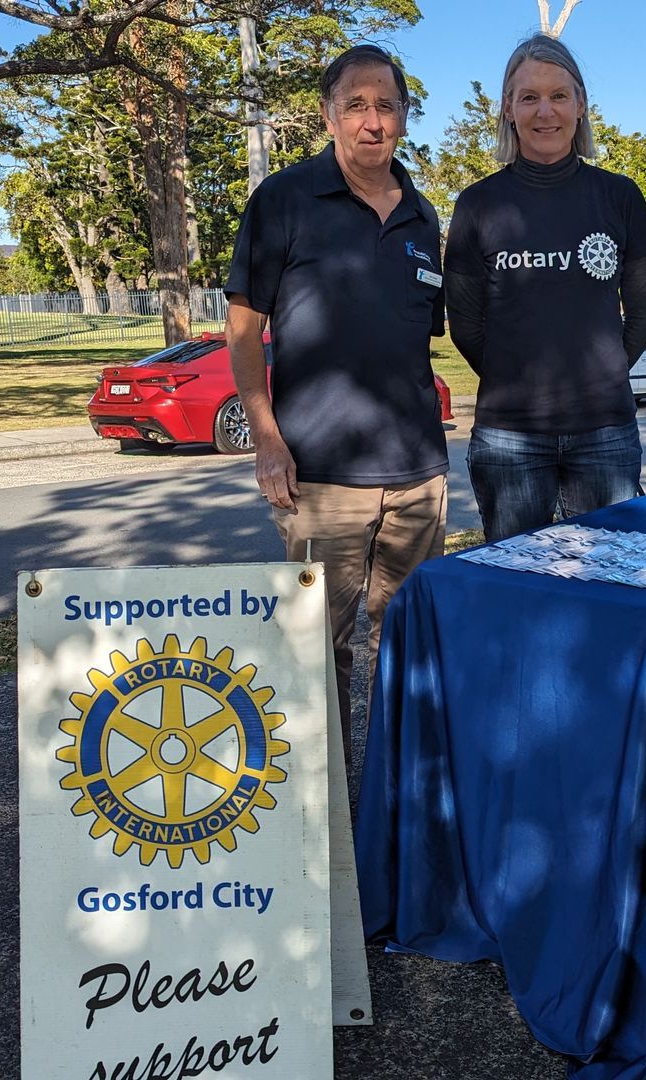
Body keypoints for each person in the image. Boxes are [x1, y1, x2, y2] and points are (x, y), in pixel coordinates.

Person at [221, 44, 448, 740]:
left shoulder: (423, 218)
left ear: (404, 116)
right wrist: (267, 439)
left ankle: (393, 796)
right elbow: (242, 332)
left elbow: (415, 341)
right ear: (328, 116)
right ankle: (326, 806)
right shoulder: (283, 200)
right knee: (318, 658)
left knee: (413, 652)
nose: (371, 121)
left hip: (418, 480)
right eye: (355, 105)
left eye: (386, 106)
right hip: (319, 481)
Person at [445, 34, 646, 540]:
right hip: (509, 439)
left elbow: (643, 315)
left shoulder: (620, 196)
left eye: (559, 95)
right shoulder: (477, 204)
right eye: (529, 97)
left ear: (580, 105)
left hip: (605, 431)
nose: (546, 111)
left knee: (611, 575)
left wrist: (601, 375)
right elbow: (466, 326)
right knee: (517, 580)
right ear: (508, 109)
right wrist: (516, 381)